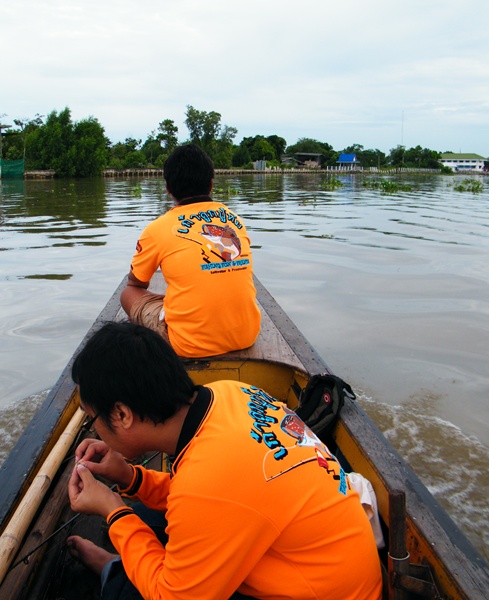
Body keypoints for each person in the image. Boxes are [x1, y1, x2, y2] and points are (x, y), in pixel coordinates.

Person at [66, 322, 383, 600]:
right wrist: (129, 477)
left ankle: (113, 572)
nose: (95, 428)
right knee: (147, 515)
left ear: (122, 414)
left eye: (93, 418)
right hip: (321, 564)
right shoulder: (229, 392)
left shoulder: (208, 478)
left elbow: (171, 594)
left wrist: (111, 508)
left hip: (329, 592)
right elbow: (213, 498)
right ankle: (119, 566)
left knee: (134, 586)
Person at [119, 143, 261, 358]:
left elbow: (137, 283)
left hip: (188, 345)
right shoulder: (234, 220)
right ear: (211, 184)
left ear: (167, 188)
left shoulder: (157, 228)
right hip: (247, 336)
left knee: (128, 293)